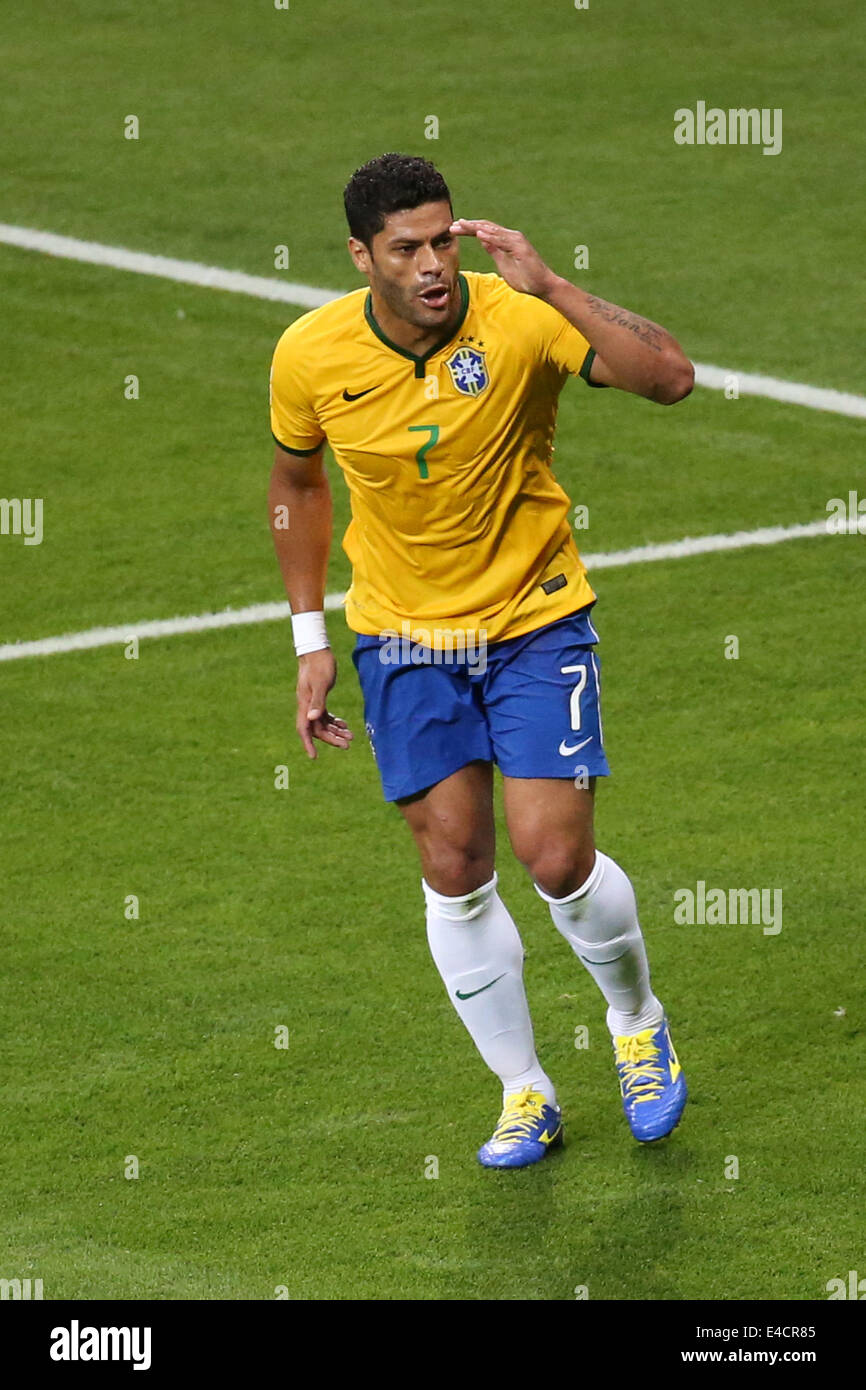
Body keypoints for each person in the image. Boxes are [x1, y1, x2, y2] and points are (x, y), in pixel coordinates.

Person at [268, 152, 694, 1168]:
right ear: (360, 254)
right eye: (404, 247)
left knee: (552, 855)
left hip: (531, 618)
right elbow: (295, 482)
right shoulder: (310, 353)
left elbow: (669, 379)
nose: (430, 265)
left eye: (441, 239)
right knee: (452, 866)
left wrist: (551, 287)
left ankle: (635, 1022)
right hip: (403, 637)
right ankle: (523, 1090)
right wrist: (308, 638)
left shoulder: (515, 313)